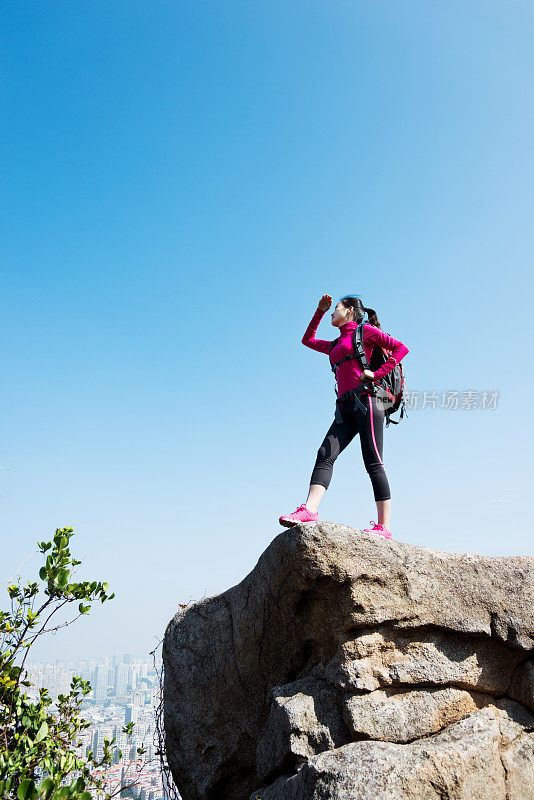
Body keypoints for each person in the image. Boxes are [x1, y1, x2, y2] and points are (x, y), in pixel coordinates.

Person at [279, 293, 409, 539]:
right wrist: (319, 311)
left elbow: (401, 348)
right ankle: (309, 510)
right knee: (325, 453)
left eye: (335, 308)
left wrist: (377, 373)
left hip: (368, 401)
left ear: (349, 311)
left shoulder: (365, 332)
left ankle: (384, 528)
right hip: (345, 407)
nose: (332, 312)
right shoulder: (335, 344)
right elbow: (307, 340)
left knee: (372, 460)